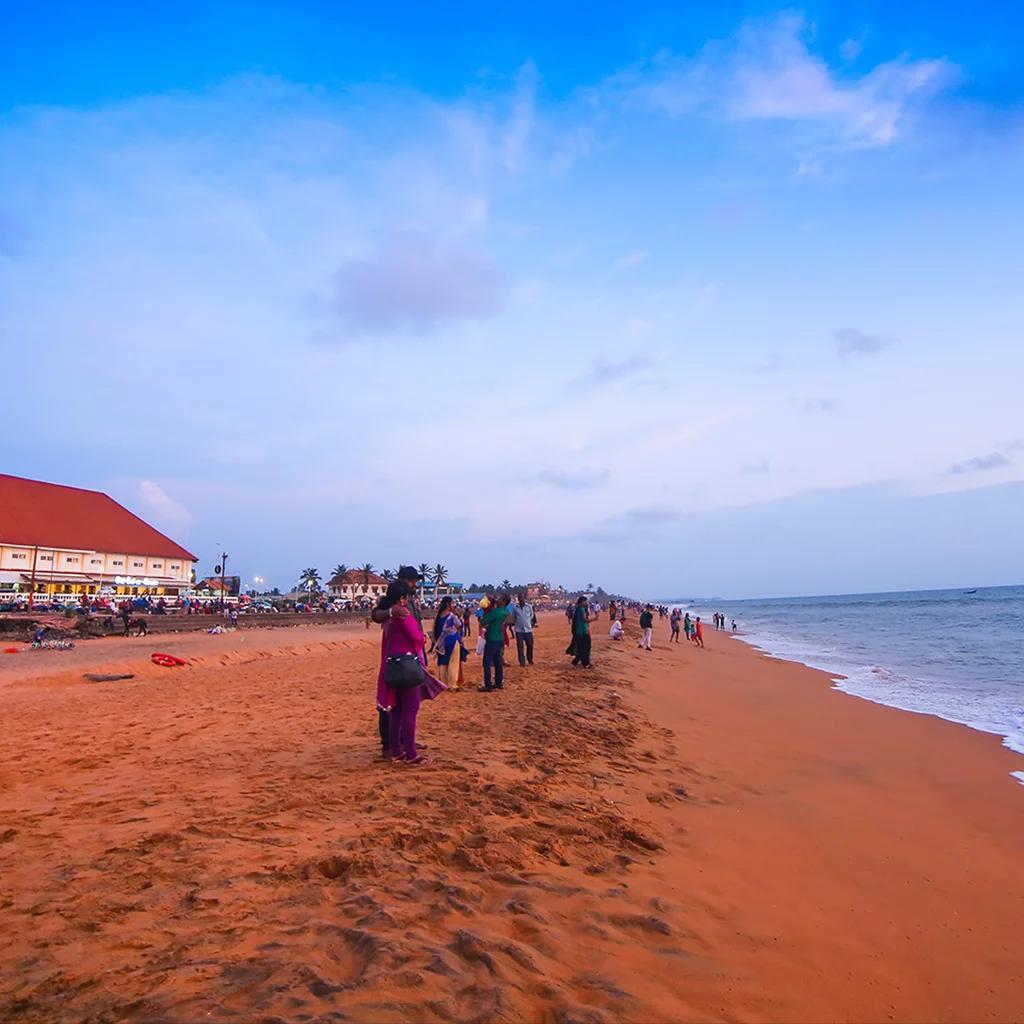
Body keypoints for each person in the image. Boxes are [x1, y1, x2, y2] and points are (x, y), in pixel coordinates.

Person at [376, 582, 446, 764]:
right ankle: (411, 753)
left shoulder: (388, 617)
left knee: (397, 709)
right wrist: (423, 638)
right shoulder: (402, 614)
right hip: (407, 666)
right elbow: (416, 637)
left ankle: (396, 751)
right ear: (402, 598)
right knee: (410, 709)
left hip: (393, 664)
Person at [479, 594, 514, 691]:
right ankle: (498, 683)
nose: (497, 599)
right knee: (498, 661)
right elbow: (510, 620)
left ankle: (488, 684)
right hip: (500, 638)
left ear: (503, 601)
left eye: (499, 598)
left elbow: (483, 621)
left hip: (492, 638)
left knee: (487, 662)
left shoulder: (495, 612)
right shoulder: (505, 611)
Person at [432, 596, 464, 692]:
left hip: (441, 642)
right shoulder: (452, 616)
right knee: (453, 663)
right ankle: (452, 684)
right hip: (452, 640)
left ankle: (443, 683)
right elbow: (459, 626)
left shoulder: (438, 616)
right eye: (452, 603)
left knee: (442, 662)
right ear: (448, 604)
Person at [568, 595, 593, 668]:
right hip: (582, 632)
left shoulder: (578, 609)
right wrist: (594, 619)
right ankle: (586, 664)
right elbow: (585, 620)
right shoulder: (581, 609)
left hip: (580, 631)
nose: (586, 603)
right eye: (586, 601)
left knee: (581, 648)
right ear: (582, 602)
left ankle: (576, 662)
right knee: (585, 648)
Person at [512, 592, 535, 667]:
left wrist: (527, 622)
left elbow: (531, 616)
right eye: (519, 598)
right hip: (519, 630)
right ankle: (522, 662)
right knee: (520, 647)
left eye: (521, 597)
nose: (520, 599)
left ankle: (530, 659)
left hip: (528, 630)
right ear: (518, 599)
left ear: (524, 598)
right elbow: (514, 618)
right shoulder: (515, 608)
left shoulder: (529, 607)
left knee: (530, 645)